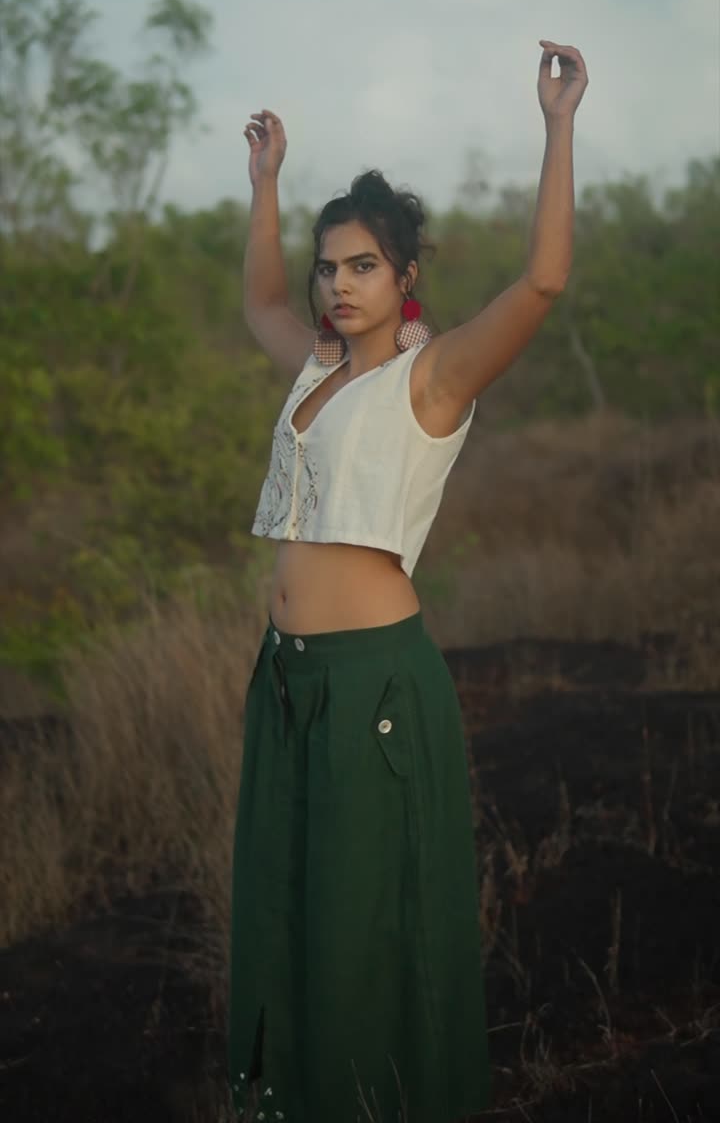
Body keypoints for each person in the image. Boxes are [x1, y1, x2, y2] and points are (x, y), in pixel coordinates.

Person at [228, 108, 491, 1123]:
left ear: (405, 276)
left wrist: (558, 126)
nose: (338, 284)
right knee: (286, 911)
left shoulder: (431, 378)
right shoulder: (316, 364)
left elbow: (544, 283)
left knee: (365, 928)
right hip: (289, 679)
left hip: (373, 683)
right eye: (329, 267)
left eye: (364, 266)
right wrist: (266, 181)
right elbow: (259, 299)